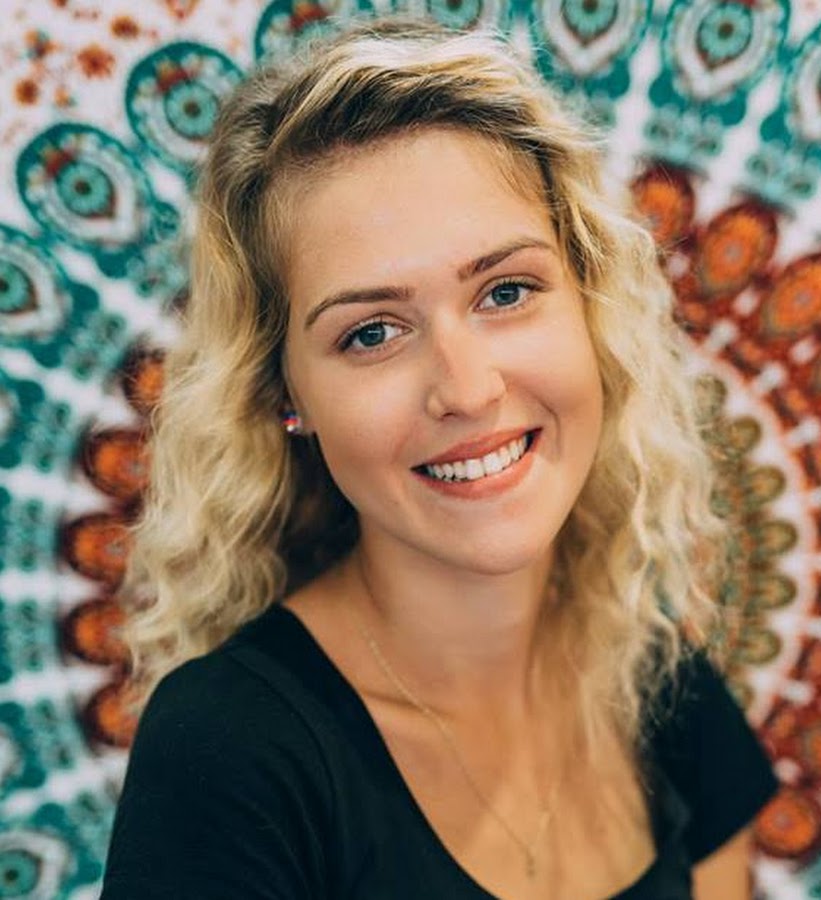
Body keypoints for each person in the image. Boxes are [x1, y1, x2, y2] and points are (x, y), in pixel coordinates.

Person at [100, 17, 778, 900]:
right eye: (371, 332)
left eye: (506, 290)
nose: (466, 389)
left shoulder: (656, 677)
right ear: (285, 395)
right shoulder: (229, 754)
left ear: (590, 305)